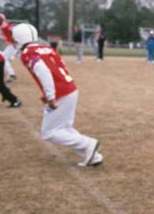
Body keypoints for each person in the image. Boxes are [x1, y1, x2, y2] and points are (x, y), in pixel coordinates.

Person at [12, 23, 103, 167]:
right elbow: (61, 66)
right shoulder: (47, 48)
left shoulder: (27, 53)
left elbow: (44, 71)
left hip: (61, 92)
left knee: (48, 133)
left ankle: (88, 143)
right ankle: (93, 156)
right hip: (70, 88)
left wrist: (50, 96)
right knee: (65, 129)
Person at [0, 13, 17, 82]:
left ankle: (12, 75)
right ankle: (11, 74)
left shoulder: (5, 26)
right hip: (12, 45)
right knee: (4, 59)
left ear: (1, 20)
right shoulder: (4, 26)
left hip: (13, 45)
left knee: (3, 59)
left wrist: (15, 42)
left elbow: (13, 32)